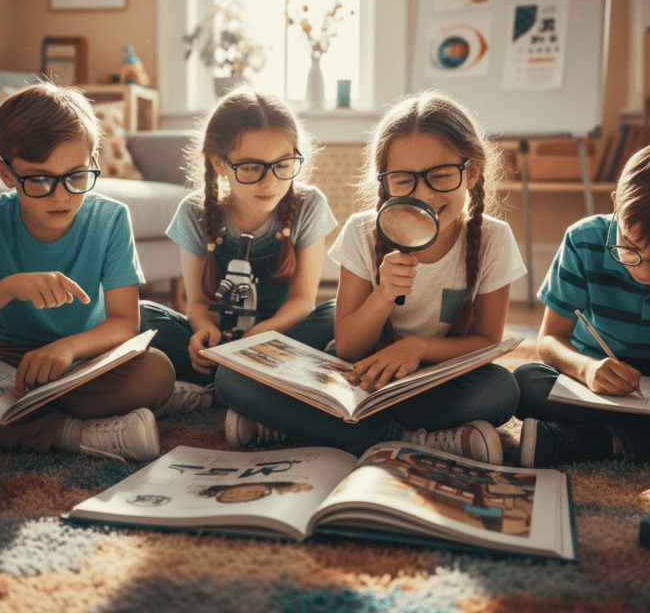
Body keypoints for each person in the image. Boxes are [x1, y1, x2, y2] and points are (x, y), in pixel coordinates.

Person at [218, 91, 526, 464]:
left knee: (502, 390)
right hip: (359, 376)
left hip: (435, 381)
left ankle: (303, 427)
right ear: (384, 182)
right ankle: (410, 438)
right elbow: (348, 348)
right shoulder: (362, 231)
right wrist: (383, 295)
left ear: (471, 172)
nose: (423, 194)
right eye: (404, 180)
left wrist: (417, 348)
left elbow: (488, 341)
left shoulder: (494, 239)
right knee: (231, 378)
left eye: (441, 176)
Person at [0, 82, 175, 461]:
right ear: (6, 174)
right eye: (39, 179)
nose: (60, 196)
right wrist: (9, 288)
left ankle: (20, 421)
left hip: (84, 360)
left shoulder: (110, 219)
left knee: (156, 372)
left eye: (76, 176)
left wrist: (68, 348)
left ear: (93, 160)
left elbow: (125, 322)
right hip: (3, 361)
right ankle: (75, 433)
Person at [515, 138, 650, 467]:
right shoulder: (583, 240)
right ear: (616, 203)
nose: (643, 271)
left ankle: (597, 444)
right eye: (630, 247)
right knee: (525, 382)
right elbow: (549, 340)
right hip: (595, 379)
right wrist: (586, 369)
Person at [140, 86, 338, 413]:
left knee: (334, 315)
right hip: (220, 345)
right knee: (143, 315)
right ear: (220, 164)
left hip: (278, 343)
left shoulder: (309, 204)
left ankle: (216, 390)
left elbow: (303, 301)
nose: (270, 182)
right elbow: (197, 303)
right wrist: (203, 331)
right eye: (250, 168)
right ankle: (242, 388)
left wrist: (257, 339)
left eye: (283, 164)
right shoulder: (193, 211)